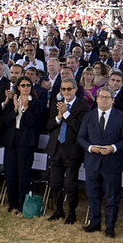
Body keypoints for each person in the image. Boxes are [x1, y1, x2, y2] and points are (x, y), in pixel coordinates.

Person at [78, 86, 123, 238]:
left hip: (112, 162)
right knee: (93, 195)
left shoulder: (120, 117)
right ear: (96, 99)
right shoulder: (89, 116)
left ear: (113, 100)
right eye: (101, 97)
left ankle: (109, 226)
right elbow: (81, 137)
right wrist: (90, 148)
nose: (103, 100)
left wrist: (113, 148)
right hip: (92, 161)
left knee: (111, 197)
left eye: (107, 97)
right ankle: (94, 223)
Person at [45, 78, 88, 225]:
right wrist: (58, 117)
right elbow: (49, 126)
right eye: (63, 89)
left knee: (70, 184)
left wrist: (67, 114)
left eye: (69, 89)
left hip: (72, 151)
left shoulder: (82, 107)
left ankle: (72, 213)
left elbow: (80, 128)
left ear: (75, 89)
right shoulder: (56, 104)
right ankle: (58, 210)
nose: (66, 92)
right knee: (55, 183)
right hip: (56, 149)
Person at [0, 75, 45, 214]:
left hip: (26, 143)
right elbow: (5, 122)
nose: (26, 88)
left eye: (28, 85)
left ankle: (22, 204)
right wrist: (15, 109)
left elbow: (34, 123)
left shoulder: (36, 103)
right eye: (23, 85)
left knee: (23, 174)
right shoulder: (12, 101)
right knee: (10, 172)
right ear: (18, 87)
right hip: (11, 142)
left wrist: (25, 109)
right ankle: (12, 203)